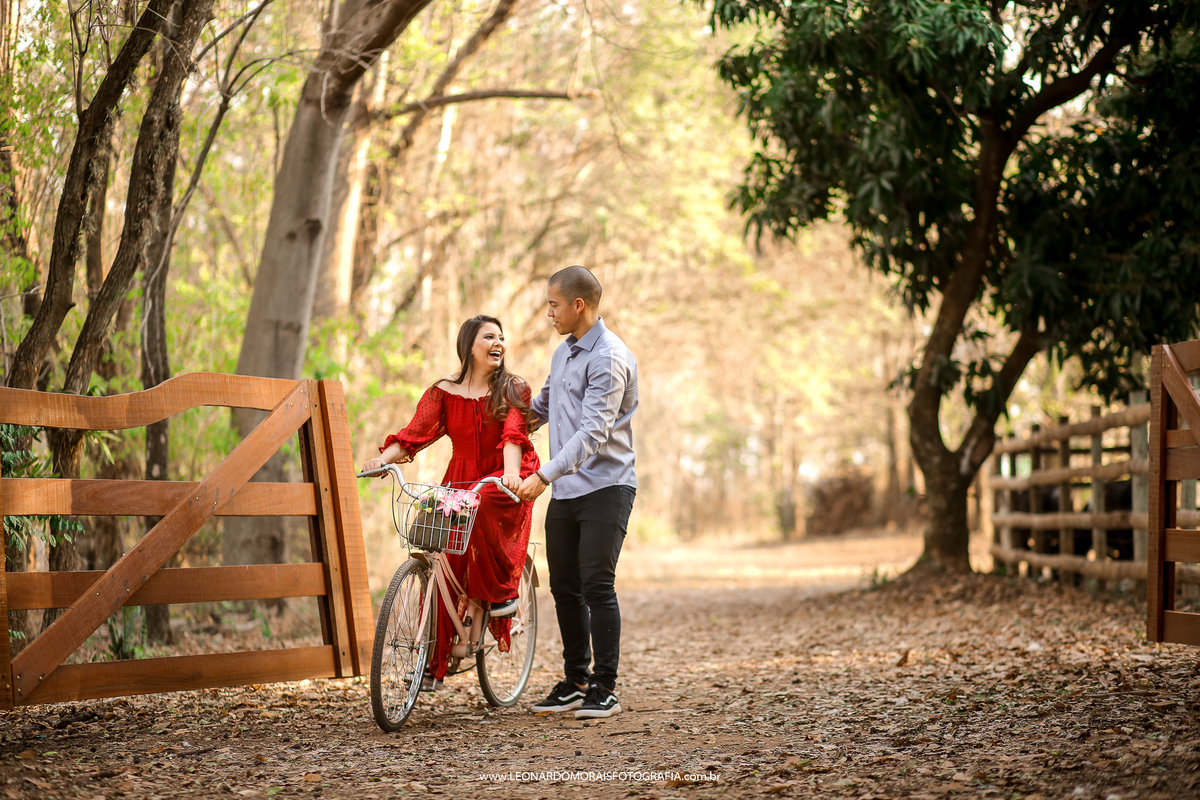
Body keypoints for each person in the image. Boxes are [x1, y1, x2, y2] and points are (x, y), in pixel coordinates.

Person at [363, 315, 540, 688]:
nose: (499, 343)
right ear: (469, 346)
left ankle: (499, 596)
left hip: (502, 479)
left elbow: (513, 435)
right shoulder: (443, 391)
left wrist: (509, 474)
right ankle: (433, 657)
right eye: (489, 336)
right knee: (438, 541)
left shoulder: (512, 388)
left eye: (501, 337)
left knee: (483, 501)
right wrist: (382, 460)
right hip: (460, 480)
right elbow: (414, 435)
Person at [518, 265, 638, 720]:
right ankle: (576, 680)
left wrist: (542, 475)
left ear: (578, 305)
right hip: (565, 487)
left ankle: (604, 688)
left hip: (607, 487)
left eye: (553, 304)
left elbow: (592, 433)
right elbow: (543, 408)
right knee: (564, 587)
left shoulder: (608, 357)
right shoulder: (564, 352)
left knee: (596, 585)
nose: (549, 313)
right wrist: (505, 417)